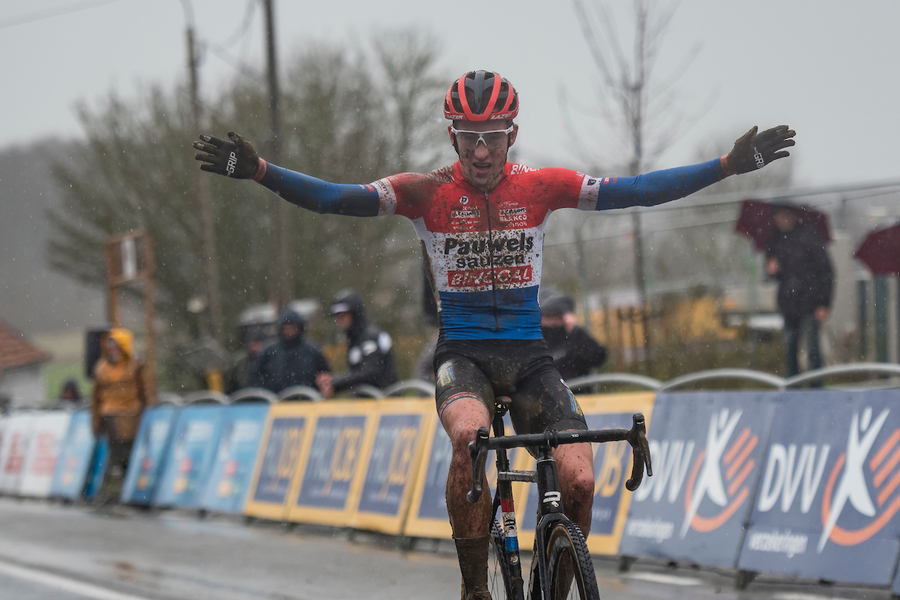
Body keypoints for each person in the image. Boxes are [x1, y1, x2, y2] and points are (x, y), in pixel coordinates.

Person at [194, 69, 795, 599]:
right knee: (471, 439)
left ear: (512, 133)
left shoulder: (540, 187)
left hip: (531, 358)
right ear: (451, 135)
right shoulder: (425, 192)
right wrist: (262, 172)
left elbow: (634, 191)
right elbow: (334, 199)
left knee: (581, 477)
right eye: (468, 136)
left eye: (494, 135)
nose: (482, 151)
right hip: (464, 358)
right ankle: (475, 586)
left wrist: (725, 167)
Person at [764, 205, 833, 379]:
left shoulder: (810, 237)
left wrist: (824, 303)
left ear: (792, 215)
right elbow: (773, 275)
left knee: (813, 350)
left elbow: (826, 271)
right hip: (788, 304)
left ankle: (816, 390)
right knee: (790, 349)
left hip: (810, 302)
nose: (782, 219)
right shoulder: (774, 240)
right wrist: (772, 271)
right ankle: (792, 390)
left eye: (785, 215)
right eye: (778, 216)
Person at [90, 327, 150, 502]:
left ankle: (133, 494)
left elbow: (146, 391)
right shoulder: (101, 368)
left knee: (130, 457)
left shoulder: (136, 364)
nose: (112, 350)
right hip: (110, 418)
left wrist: (151, 411)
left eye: (115, 345)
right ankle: (117, 494)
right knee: (116, 458)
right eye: (110, 346)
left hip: (132, 418)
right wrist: (96, 423)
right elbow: (95, 399)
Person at [318, 289, 398, 396]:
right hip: (368, 403)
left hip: (385, 402)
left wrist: (336, 382)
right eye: (337, 316)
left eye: (344, 315)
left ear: (355, 313)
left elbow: (370, 372)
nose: (340, 320)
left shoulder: (370, 336)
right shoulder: (354, 339)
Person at [249, 308, 331, 396]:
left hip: (307, 402)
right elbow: (255, 376)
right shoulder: (269, 351)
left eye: (293, 328)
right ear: (281, 329)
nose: (290, 331)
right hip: (275, 403)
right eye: (287, 328)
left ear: (299, 328)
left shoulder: (312, 350)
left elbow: (325, 375)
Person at [540, 294, 607, 380]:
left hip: (578, 390)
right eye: (547, 316)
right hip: (545, 390)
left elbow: (598, 356)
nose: (551, 323)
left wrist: (574, 331)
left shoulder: (576, 336)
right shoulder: (537, 338)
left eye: (557, 316)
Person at [225, 329, 267, 394]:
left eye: (258, 344)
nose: (256, 347)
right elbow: (232, 382)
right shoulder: (240, 360)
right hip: (242, 397)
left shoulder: (267, 359)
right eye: (254, 344)